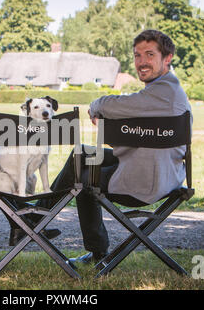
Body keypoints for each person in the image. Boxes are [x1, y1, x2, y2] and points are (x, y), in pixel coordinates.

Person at [39, 29, 193, 264]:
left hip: (145, 181)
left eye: (149, 55)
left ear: (168, 58)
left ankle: (94, 250)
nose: (141, 62)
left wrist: (97, 107)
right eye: (137, 55)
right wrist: (110, 124)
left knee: (85, 176)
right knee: (82, 155)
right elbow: (133, 116)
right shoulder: (164, 91)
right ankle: (38, 217)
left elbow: (116, 105)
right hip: (159, 170)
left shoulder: (164, 93)